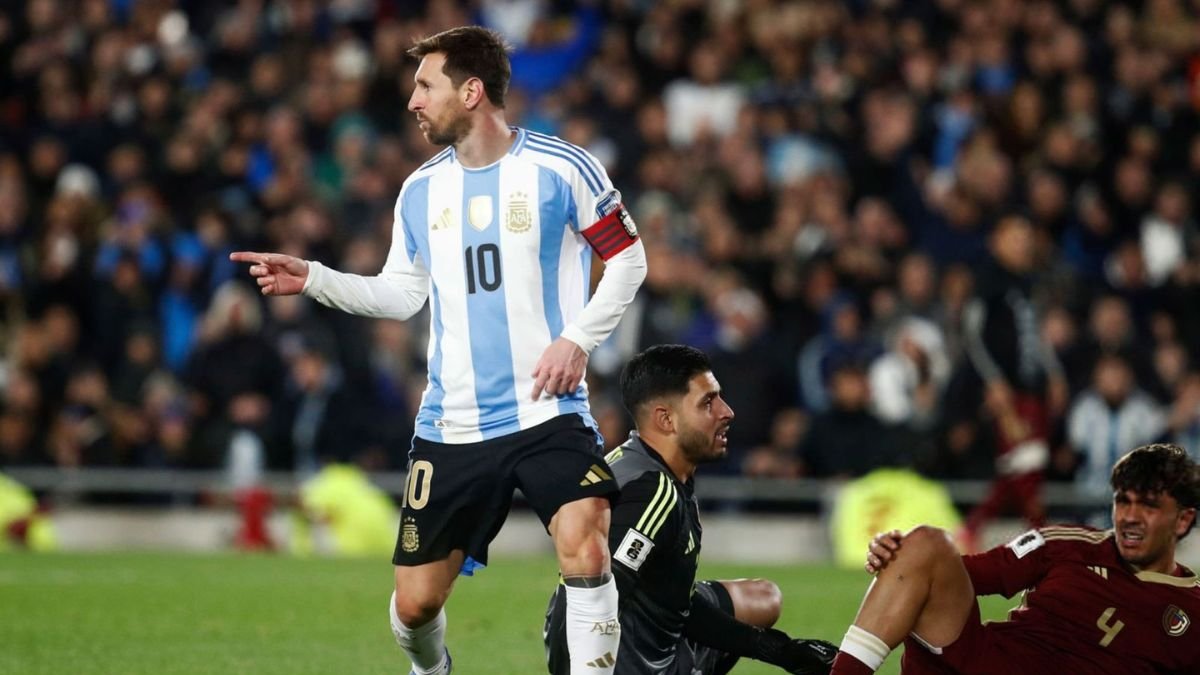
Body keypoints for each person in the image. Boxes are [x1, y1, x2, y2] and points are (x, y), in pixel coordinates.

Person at [231, 26, 647, 675]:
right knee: (416, 604)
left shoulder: (563, 168)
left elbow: (628, 259)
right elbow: (401, 294)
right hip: (453, 424)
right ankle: (431, 669)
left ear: (471, 91)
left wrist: (577, 339)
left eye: (426, 86)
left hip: (549, 411)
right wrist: (313, 277)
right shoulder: (421, 191)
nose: (413, 101)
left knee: (587, 547)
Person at [545, 344, 837, 675]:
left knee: (763, 598)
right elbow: (592, 597)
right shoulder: (650, 492)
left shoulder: (636, 463)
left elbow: (675, 601)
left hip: (643, 631)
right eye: (708, 403)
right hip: (630, 664)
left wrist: (781, 650)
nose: (727, 412)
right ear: (666, 419)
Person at [827, 442, 1200, 675]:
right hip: (983, 665)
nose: (1130, 517)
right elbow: (958, 572)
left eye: (1148, 506)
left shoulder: (1193, 611)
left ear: (1183, 520)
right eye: (1123, 501)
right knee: (926, 544)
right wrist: (899, 554)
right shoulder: (1069, 543)